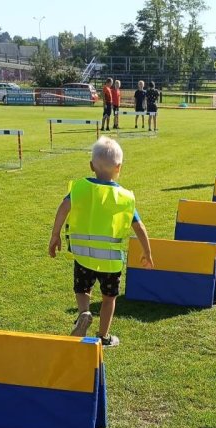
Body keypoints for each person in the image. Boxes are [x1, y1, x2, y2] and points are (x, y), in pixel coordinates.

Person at [47, 136, 153, 348]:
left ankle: (84, 312)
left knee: (82, 289)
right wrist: (147, 252)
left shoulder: (80, 188)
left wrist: (55, 234)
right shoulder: (124, 197)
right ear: (119, 167)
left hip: (83, 256)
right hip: (110, 262)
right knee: (108, 298)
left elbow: (64, 207)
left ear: (91, 165)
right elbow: (139, 227)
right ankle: (103, 336)